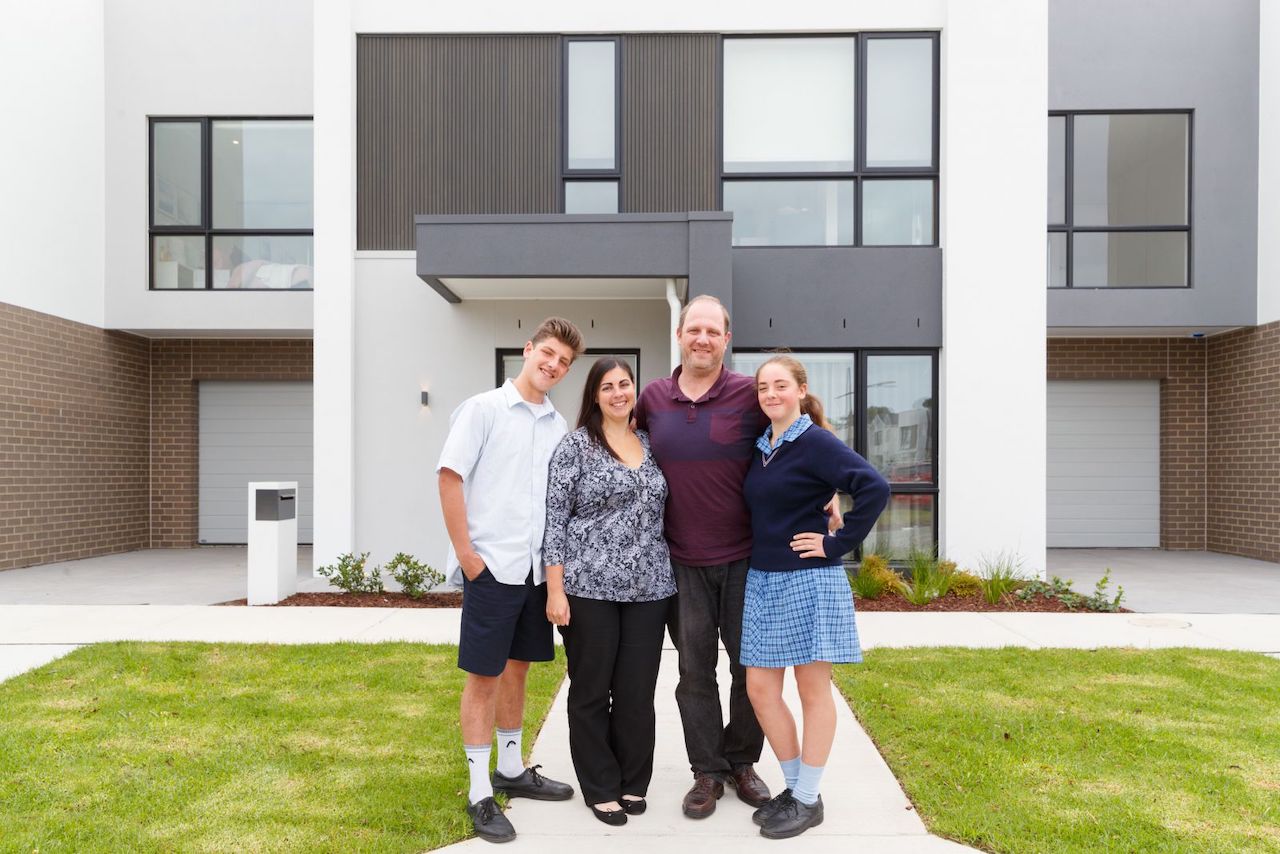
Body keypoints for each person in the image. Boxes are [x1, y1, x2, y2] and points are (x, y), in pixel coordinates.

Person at [436, 317, 585, 844]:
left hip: (534, 572)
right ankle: (480, 792)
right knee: (484, 677)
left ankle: (511, 769)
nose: (553, 365)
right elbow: (449, 477)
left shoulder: (558, 425)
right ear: (527, 349)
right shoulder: (483, 409)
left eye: (563, 362)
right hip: (492, 568)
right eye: (547, 354)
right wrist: (466, 556)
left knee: (518, 670)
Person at [633, 295, 773, 818]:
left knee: (750, 667)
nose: (703, 339)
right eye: (695, 329)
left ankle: (742, 762)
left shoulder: (749, 393)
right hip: (680, 561)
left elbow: (797, 433)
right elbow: (619, 446)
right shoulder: (653, 398)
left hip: (745, 558)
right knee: (695, 672)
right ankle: (707, 771)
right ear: (679, 334)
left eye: (713, 331)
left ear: (726, 340)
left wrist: (825, 488)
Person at [740, 355, 890, 840]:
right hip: (764, 579)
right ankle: (796, 789)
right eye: (763, 387)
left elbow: (874, 487)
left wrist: (835, 544)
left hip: (810, 580)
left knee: (812, 692)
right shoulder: (763, 446)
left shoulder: (816, 442)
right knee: (760, 689)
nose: (770, 394)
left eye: (780, 385)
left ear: (801, 390)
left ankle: (806, 798)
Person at [542, 357, 677, 826]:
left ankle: (633, 780)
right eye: (608, 386)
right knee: (592, 691)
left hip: (650, 589)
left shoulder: (651, 443)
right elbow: (555, 521)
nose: (619, 393)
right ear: (595, 396)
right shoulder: (575, 446)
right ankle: (600, 786)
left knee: (637, 693)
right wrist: (554, 590)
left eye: (625, 383)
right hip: (588, 588)